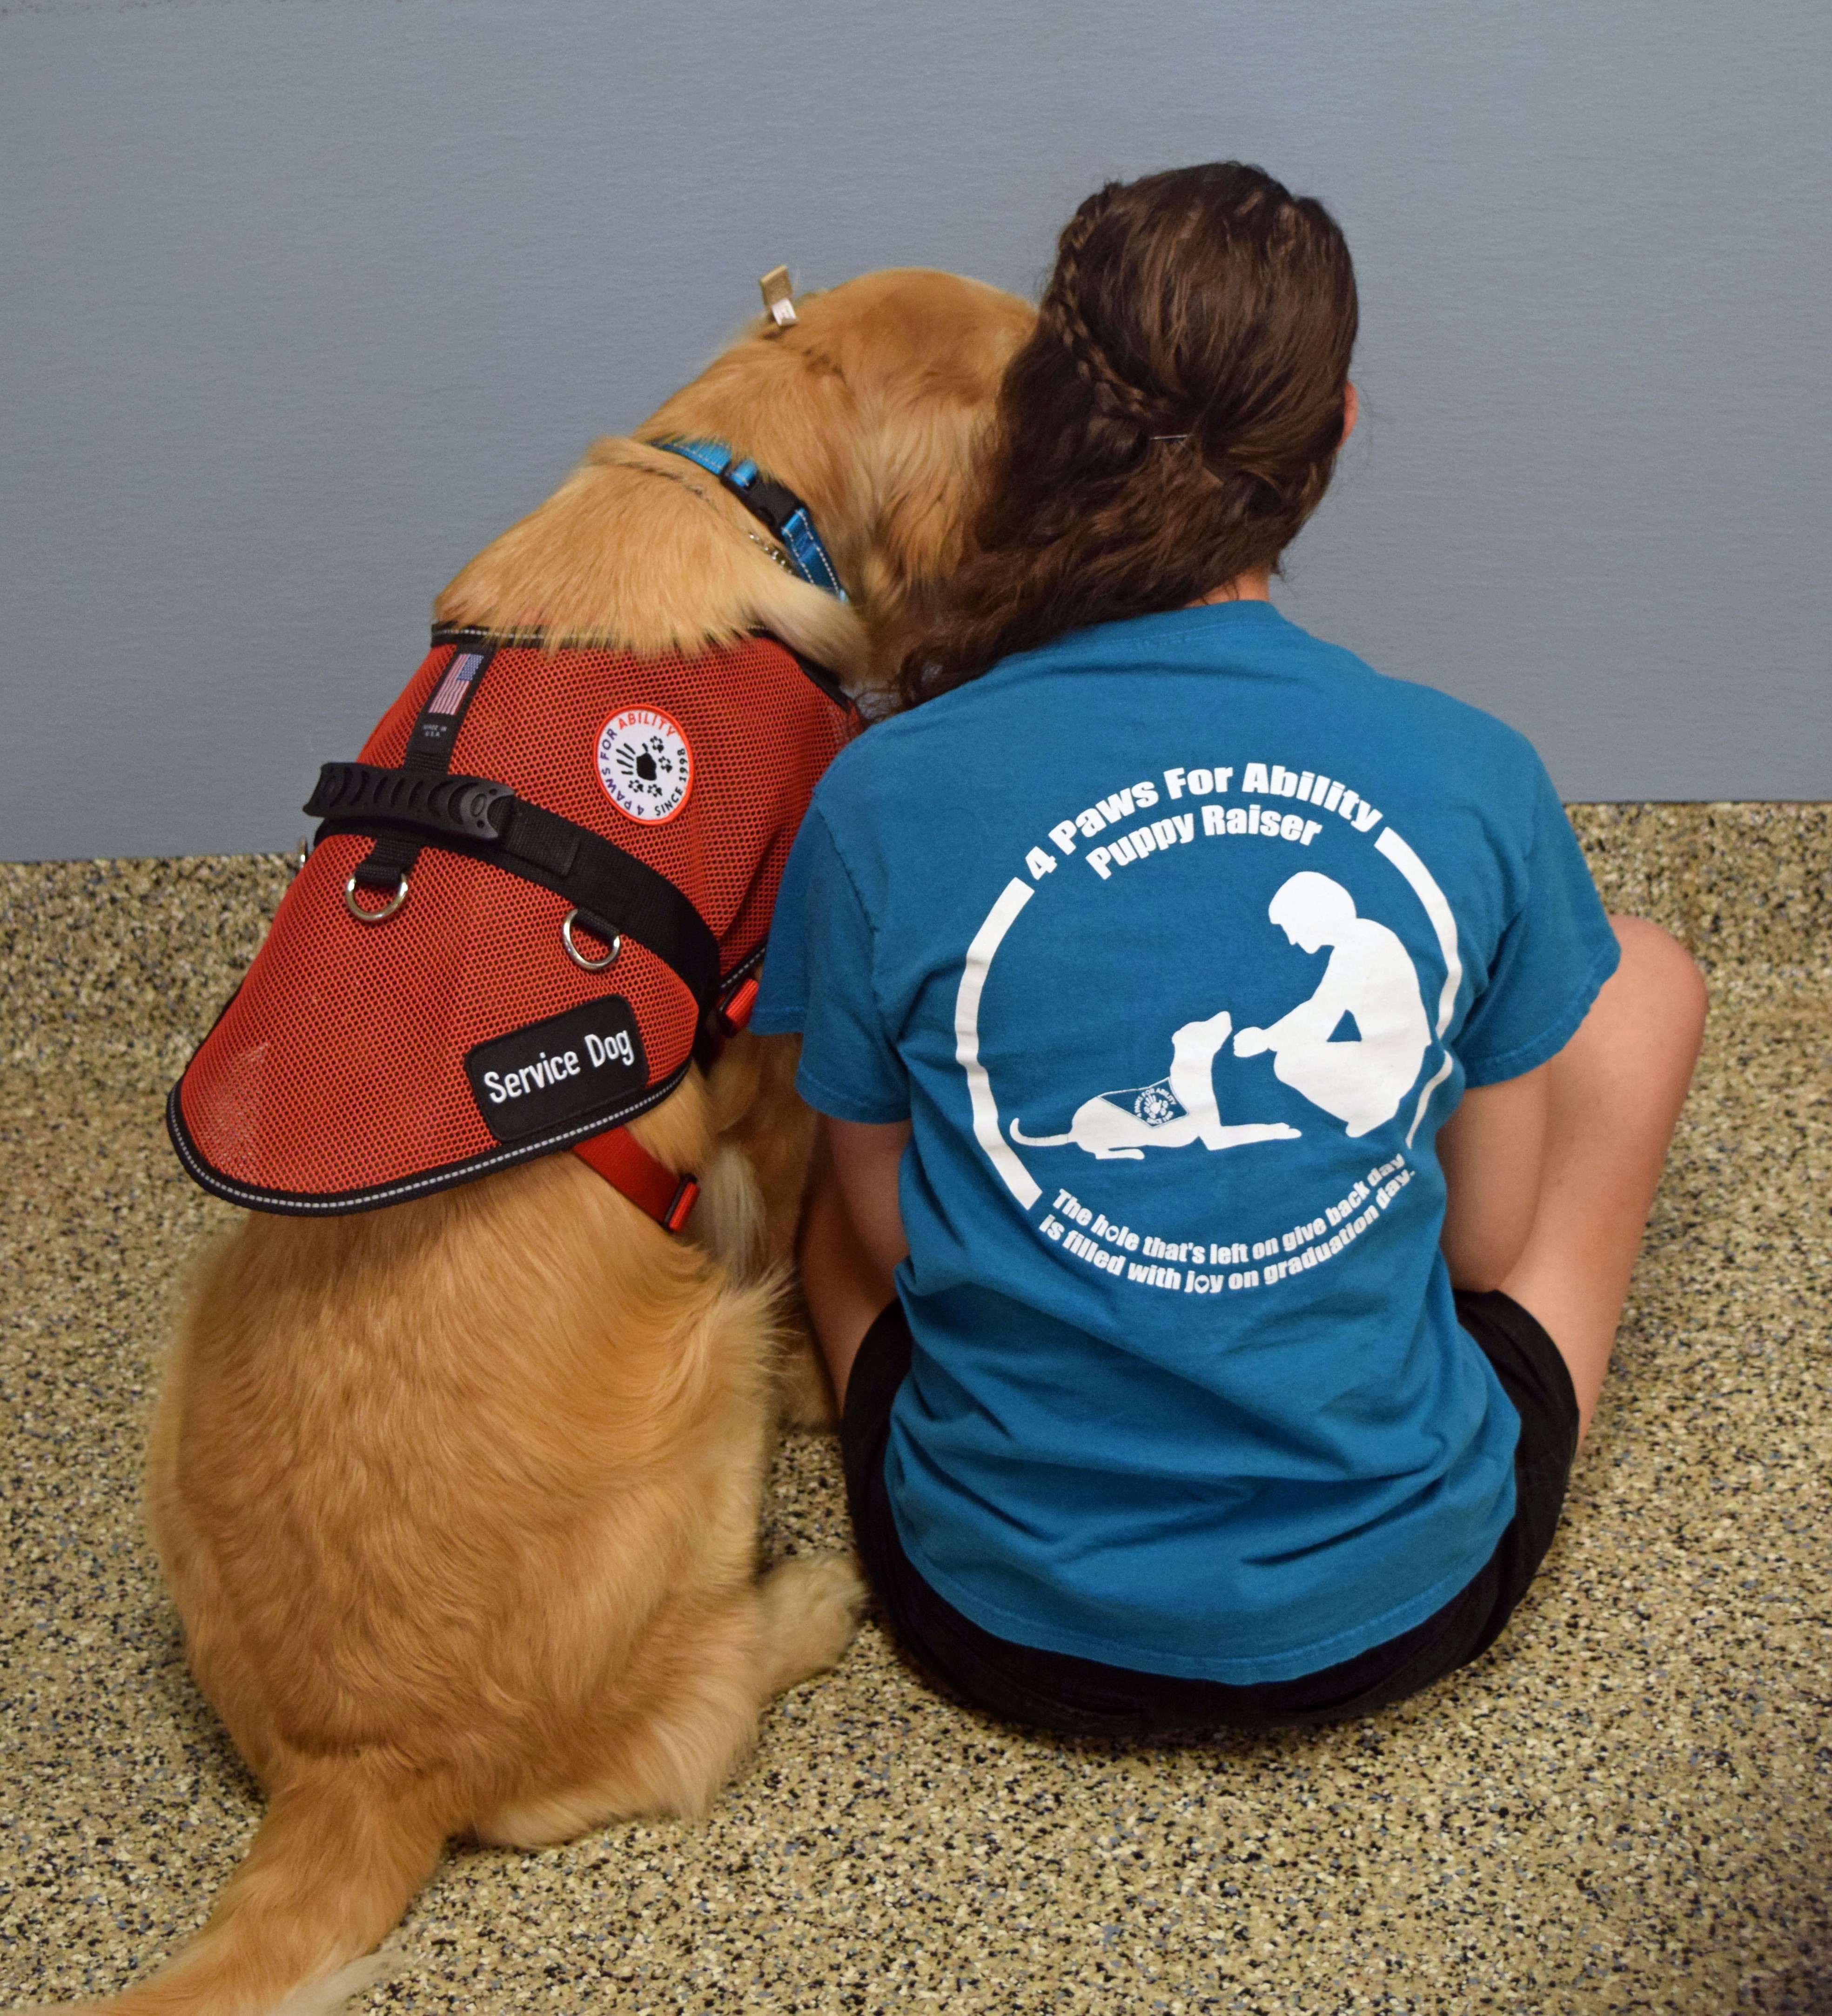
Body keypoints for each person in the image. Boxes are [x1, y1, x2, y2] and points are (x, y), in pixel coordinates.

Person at [752, 163, 1706, 1736]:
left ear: (1039, 410)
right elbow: (1479, 1251)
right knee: (1647, 978)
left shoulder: (877, 790)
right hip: (1390, 1615)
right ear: (1331, 435)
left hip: (992, 1620)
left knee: (838, 1209)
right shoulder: (1470, 770)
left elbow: (900, 1244)